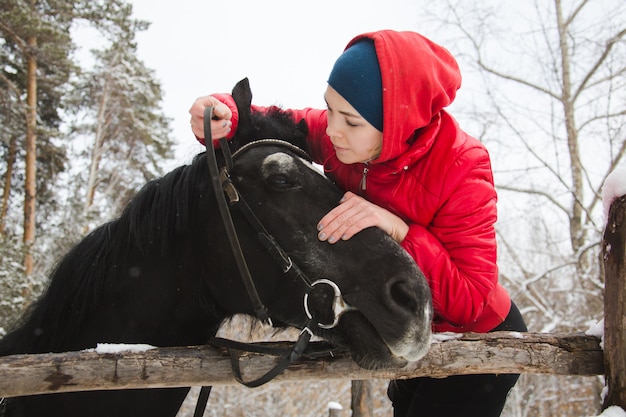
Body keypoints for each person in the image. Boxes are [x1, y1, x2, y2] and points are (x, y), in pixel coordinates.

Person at [189, 30, 527, 417]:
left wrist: (398, 230)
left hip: (479, 339)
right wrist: (228, 114)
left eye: (349, 120)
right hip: (405, 320)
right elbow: (293, 122)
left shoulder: (463, 166)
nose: (332, 130)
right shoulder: (347, 137)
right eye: (330, 109)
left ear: (397, 123)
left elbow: (470, 298)